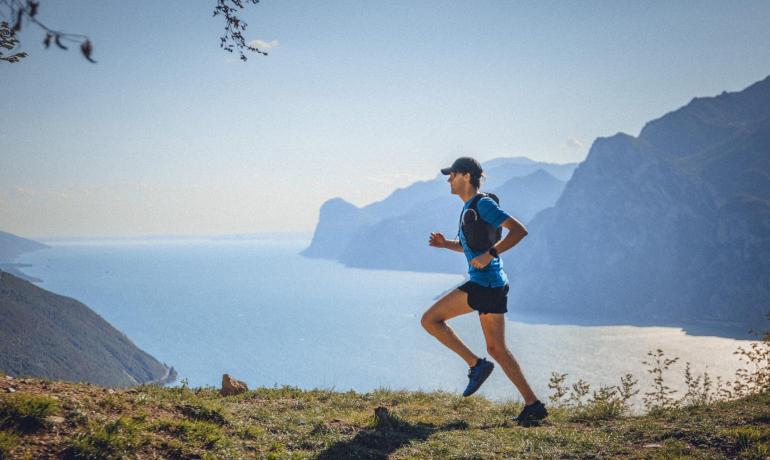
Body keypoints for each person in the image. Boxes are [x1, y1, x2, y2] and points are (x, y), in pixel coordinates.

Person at [421, 156, 548, 427]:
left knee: (430, 320)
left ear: (466, 176)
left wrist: (490, 255)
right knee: (497, 348)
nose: (448, 179)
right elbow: (474, 247)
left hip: (485, 282)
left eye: (452, 174)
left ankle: (476, 365)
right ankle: (534, 405)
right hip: (491, 284)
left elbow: (519, 231)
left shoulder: (483, 204)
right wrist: (447, 245)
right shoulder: (470, 208)